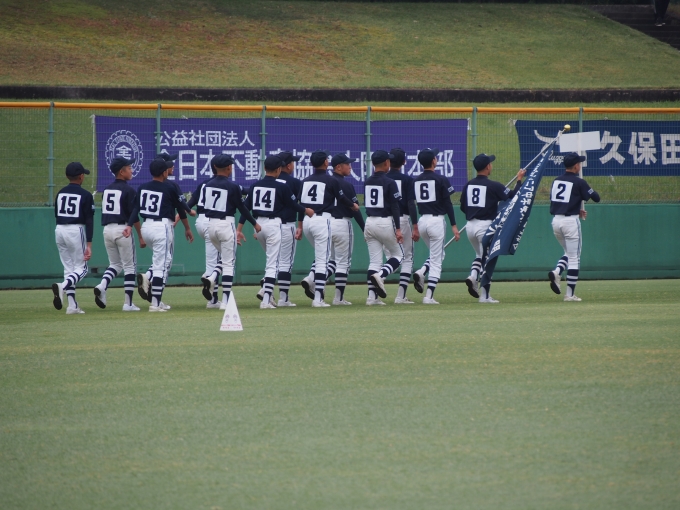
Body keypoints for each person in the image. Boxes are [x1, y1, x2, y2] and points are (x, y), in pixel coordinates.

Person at [237, 155, 313, 309]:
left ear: (265, 168)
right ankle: (266, 299)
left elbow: (245, 208)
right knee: (273, 264)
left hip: (258, 225)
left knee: (273, 262)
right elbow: (293, 205)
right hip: (273, 225)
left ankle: (268, 292)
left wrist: (239, 228)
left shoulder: (255, 185)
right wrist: (306, 210)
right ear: (278, 169)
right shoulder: (281, 186)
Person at [125, 158, 195, 312]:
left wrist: (129, 225)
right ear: (164, 172)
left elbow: (135, 209)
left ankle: (152, 286)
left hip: (146, 227)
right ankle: (155, 304)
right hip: (161, 227)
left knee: (165, 260)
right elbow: (181, 208)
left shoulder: (142, 187)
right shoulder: (169, 187)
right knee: (160, 266)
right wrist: (188, 224)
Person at [298, 150, 360, 307]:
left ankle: (312, 281)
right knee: (323, 260)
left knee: (325, 258)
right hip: (322, 220)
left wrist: (299, 225)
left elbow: (300, 204)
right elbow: (341, 198)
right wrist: (353, 205)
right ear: (326, 162)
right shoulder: (331, 180)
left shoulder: (304, 181)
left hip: (307, 221)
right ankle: (318, 298)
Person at [460, 154, 525, 302]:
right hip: (485, 226)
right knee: (489, 260)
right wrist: (519, 179)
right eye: (490, 163)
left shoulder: (468, 184)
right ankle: (484, 296)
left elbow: (463, 207)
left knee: (479, 255)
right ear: (487, 166)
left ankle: (473, 276)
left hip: (470, 226)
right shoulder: (493, 185)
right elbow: (514, 196)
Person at [200, 154, 261, 309]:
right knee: (228, 263)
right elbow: (242, 208)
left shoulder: (207, 185)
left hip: (210, 225)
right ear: (229, 167)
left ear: (215, 167)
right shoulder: (232, 186)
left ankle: (212, 277)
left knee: (225, 258)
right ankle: (226, 301)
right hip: (226, 224)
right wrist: (254, 223)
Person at [94, 156, 146, 311]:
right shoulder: (129, 190)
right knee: (129, 267)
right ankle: (128, 303)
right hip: (122, 229)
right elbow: (133, 215)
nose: (132, 170)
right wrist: (140, 235)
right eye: (129, 168)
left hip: (107, 230)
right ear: (122, 172)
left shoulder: (107, 189)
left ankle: (102, 285)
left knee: (115, 264)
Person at [548, 152, 600, 302]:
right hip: (570, 222)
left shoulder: (556, 181)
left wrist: (577, 209)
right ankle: (569, 294)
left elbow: (560, 202)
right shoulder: (579, 182)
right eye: (579, 163)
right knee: (574, 258)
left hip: (556, 221)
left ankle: (557, 272)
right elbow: (596, 198)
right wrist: (588, 188)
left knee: (568, 253)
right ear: (576, 166)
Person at [412, 148, 460, 304]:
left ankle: (422, 271)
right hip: (436, 221)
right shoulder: (441, 179)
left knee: (438, 255)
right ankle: (429, 296)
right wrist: (454, 225)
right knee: (436, 260)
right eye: (435, 157)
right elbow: (448, 203)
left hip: (422, 221)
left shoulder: (416, 180)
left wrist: (414, 226)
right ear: (433, 161)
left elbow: (411, 202)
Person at [51, 162, 95, 314]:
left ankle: (72, 306)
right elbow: (89, 221)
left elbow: (56, 214)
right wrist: (89, 245)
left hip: (59, 229)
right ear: (81, 176)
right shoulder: (86, 195)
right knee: (82, 269)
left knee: (69, 268)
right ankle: (62, 286)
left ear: (67, 176)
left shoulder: (60, 193)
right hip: (75, 230)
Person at [364, 150, 404, 305]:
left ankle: (372, 297)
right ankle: (380, 276)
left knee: (374, 262)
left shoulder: (367, 181)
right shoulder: (390, 182)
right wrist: (398, 229)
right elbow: (395, 207)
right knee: (399, 256)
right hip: (384, 222)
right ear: (386, 163)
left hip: (369, 221)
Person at [386, 148, 420, 304]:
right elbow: (411, 204)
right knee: (407, 258)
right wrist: (415, 225)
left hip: (385, 220)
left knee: (389, 258)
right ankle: (400, 296)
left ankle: (373, 292)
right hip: (403, 219)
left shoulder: (383, 178)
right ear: (404, 162)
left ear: (388, 161)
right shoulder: (407, 179)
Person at [187, 163, 222, 309]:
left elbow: (189, 204)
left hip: (200, 222)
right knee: (224, 258)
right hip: (211, 222)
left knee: (214, 260)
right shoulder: (223, 184)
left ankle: (212, 295)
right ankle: (212, 298)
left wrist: (178, 218)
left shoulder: (203, 184)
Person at [275, 151, 304, 307]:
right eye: (292, 162)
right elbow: (301, 205)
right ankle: (283, 298)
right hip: (287, 225)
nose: (293, 165)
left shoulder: (269, 181)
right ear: (287, 165)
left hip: (268, 226)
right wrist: (300, 225)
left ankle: (266, 291)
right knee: (285, 262)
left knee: (272, 262)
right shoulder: (294, 183)